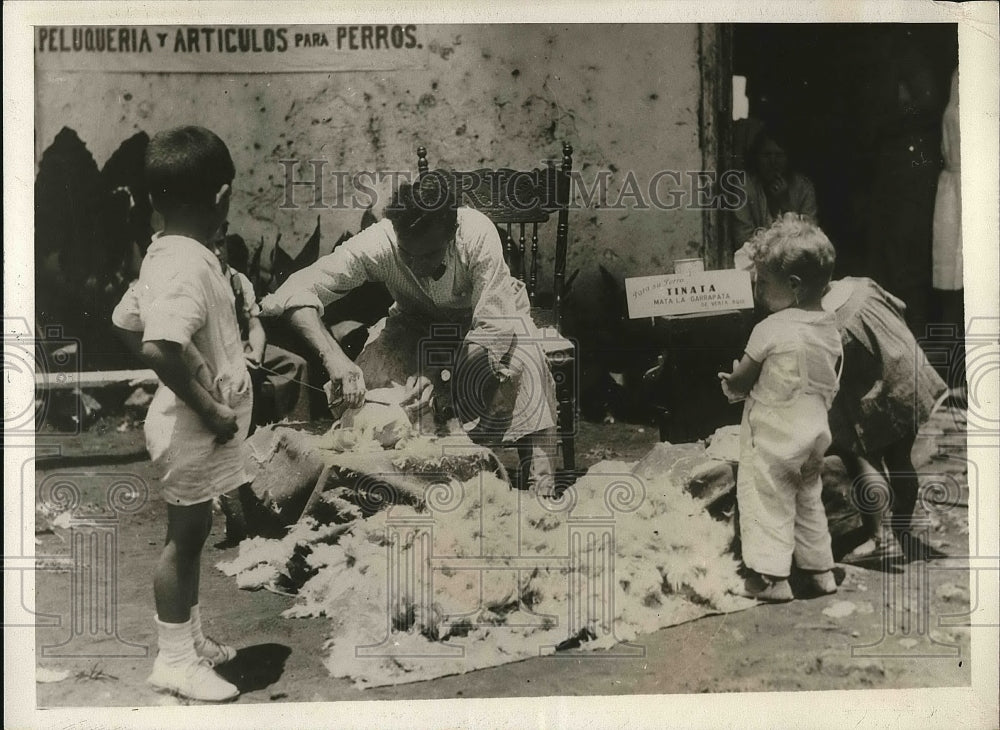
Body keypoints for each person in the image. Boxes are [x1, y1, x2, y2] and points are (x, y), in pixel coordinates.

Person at [260, 171, 558, 495]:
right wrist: (334, 358)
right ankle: (395, 487)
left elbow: (494, 326)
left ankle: (538, 488)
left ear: (451, 233)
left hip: (483, 325)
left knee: (523, 363)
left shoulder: (476, 235)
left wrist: (440, 373)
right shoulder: (380, 242)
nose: (415, 267)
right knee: (373, 381)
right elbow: (295, 292)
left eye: (429, 255)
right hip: (417, 322)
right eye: (407, 255)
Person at [111, 126, 246, 702]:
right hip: (192, 425)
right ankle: (173, 660)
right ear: (221, 196)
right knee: (184, 539)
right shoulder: (188, 264)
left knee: (193, 532)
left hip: (186, 420)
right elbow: (158, 348)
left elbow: (128, 323)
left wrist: (194, 358)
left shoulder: (164, 254)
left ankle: (189, 641)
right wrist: (213, 408)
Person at [719, 214, 842, 602]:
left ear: (792, 286)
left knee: (766, 500)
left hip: (774, 434)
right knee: (808, 499)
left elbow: (743, 380)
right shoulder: (829, 327)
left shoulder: (770, 328)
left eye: (764, 284)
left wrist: (729, 382)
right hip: (813, 433)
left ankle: (772, 579)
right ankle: (821, 570)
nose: (759, 293)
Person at [822, 277, 947, 559]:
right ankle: (902, 529)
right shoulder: (862, 285)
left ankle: (881, 538)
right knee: (901, 460)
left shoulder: (820, 321)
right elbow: (900, 308)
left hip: (872, 395)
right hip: (905, 378)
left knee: (865, 458)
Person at [216, 232, 310, 428]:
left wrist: (257, 352)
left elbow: (254, 324)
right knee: (239, 375)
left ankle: (296, 430)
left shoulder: (238, 280)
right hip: (214, 349)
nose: (216, 252)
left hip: (242, 345)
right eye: (210, 246)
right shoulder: (199, 279)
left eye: (220, 244)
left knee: (296, 365)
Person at [731, 127, 818, 251]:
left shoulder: (804, 188)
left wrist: (785, 204)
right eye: (766, 155)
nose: (773, 162)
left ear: (789, 158)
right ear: (756, 157)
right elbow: (743, 239)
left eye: (779, 155)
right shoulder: (743, 187)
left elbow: (811, 237)